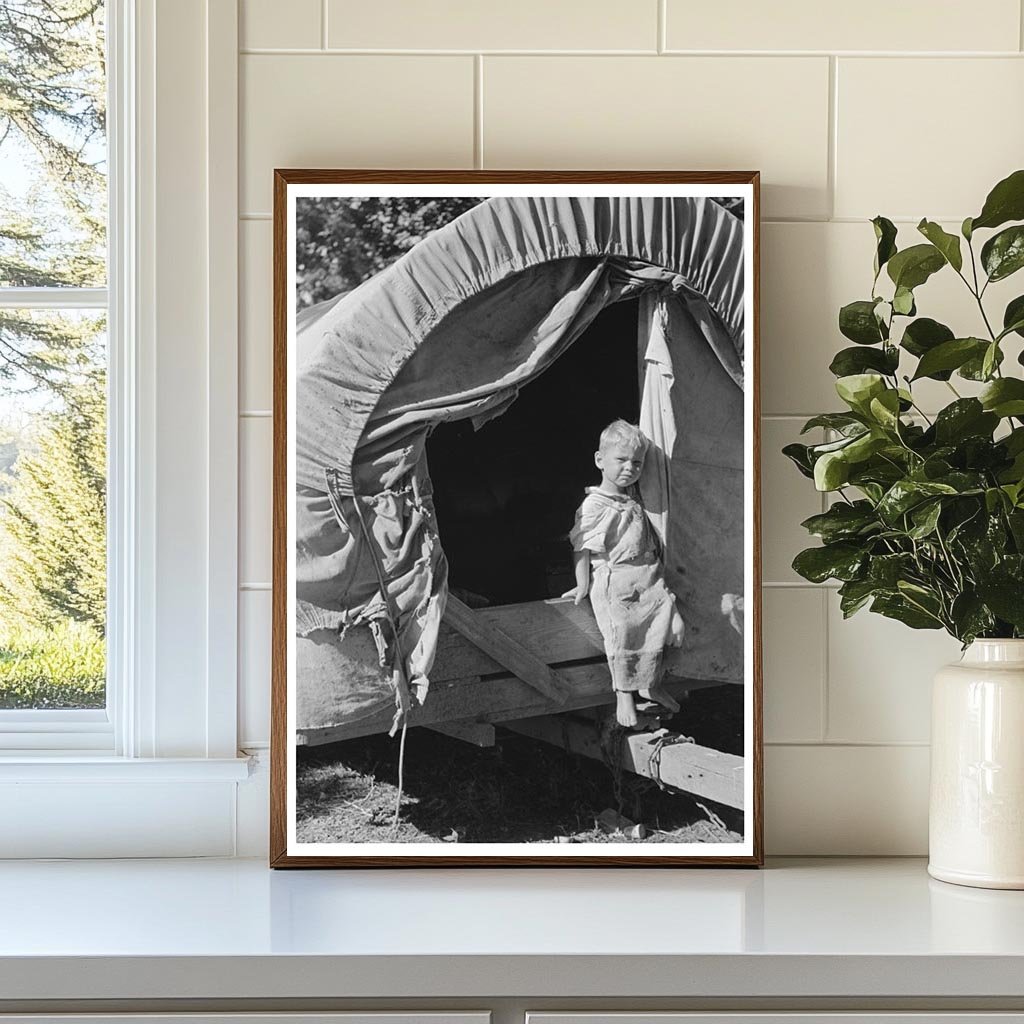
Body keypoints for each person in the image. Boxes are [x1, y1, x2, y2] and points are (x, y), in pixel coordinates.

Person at [565, 420, 685, 728]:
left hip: (646, 575)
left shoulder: (636, 498)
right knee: (621, 632)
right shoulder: (595, 503)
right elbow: (582, 546)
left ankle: (651, 683)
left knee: (665, 627)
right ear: (599, 460)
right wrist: (581, 583)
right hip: (616, 578)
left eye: (637, 462)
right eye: (621, 460)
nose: (630, 468)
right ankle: (623, 693)